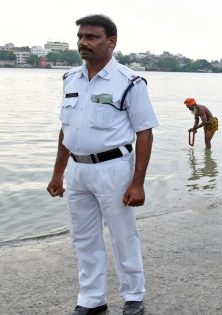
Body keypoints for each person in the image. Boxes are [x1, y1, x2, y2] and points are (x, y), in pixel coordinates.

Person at [46, 14, 158, 315]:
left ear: (111, 42)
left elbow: (144, 131)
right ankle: (92, 299)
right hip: (77, 169)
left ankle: (134, 296)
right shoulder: (71, 79)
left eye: (92, 37)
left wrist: (137, 182)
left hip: (114, 168)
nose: (84, 42)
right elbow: (65, 130)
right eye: (81, 36)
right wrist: (58, 172)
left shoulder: (129, 82)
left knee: (123, 235)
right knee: (83, 237)